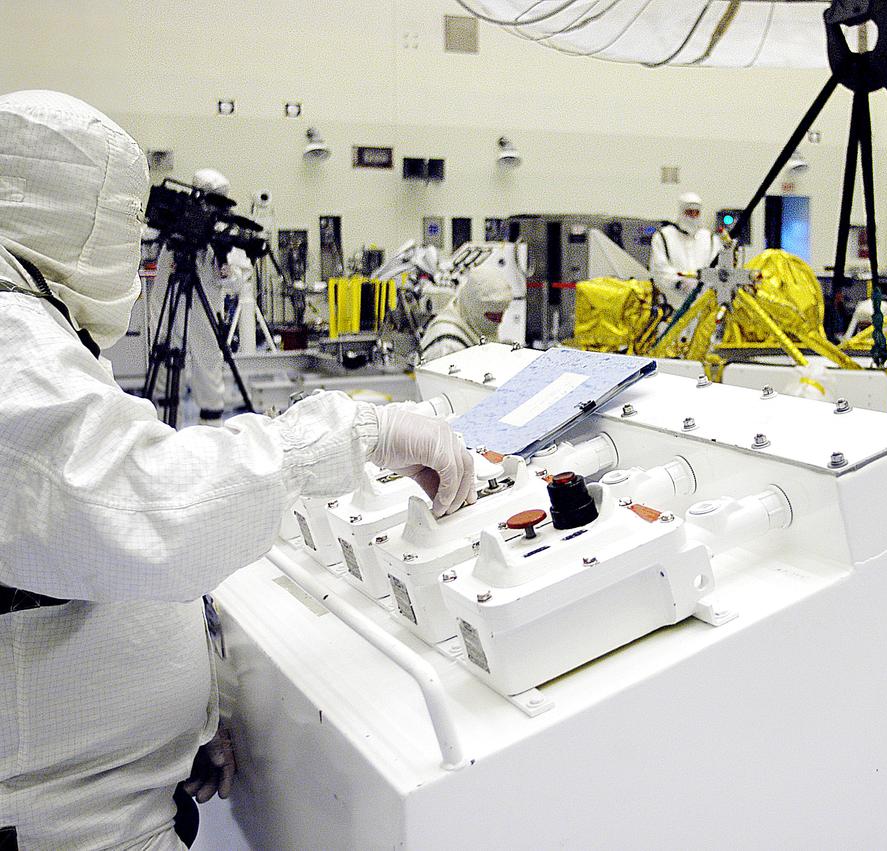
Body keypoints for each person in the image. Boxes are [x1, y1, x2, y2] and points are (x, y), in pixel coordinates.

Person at [0, 90, 475, 851]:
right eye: (123, 221)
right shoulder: (8, 337)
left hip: (104, 806)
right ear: (71, 209)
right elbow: (138, 505)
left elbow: (61, 556)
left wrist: (183, 723)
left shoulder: (30, 318)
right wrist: (353, 432)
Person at [149, 168, 254, 426]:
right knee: (164, 357)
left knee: (207, 361)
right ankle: (164, 425)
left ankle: (211, 427)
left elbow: (240, 276)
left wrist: (227, 272)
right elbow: (150, 243)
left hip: (203, 310)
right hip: (167, 303)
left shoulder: (223, 231)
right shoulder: (177, 223)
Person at [418, 264, 513, 361]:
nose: (499, 321)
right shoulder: (447, 347)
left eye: (501, 315)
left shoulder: (470, 324)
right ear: (473, 309)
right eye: (492, 317)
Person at [649, 191, 716, 305]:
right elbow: (659, 269)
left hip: (703, 303)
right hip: (672, 302)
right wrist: (679, 283)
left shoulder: (709, 238)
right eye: (689, 212)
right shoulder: (664, 236)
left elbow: (717, 268)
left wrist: (704, 285)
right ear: (681, 212)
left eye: (696, 213)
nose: (693, 216)